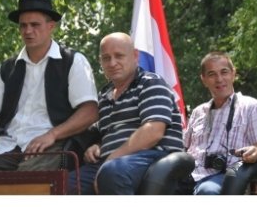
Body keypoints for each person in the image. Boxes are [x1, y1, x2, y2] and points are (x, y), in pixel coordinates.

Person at [0, 0, 98, 172]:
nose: (28, 31)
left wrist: (52, 135)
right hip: (6, 146)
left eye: (35, 25)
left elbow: (90, 112)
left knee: (29, 178)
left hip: (53, 146)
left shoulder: (73, 61)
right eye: (23, 25)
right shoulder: (8, 67)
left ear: (51, 26)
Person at [72, 32, 184, 194]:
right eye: (106, 58)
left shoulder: (151, 83)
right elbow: (111, 132)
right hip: (112, 162)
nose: (112, 63)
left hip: (154, 157)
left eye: (119, 56)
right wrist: (97, 146)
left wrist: (111, 159)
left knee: (112, 173)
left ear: (135, 56)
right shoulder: (104, 95)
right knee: (63, 184)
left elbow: (153, 131)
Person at [184, 51, 257, 195]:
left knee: (208, 191)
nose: (219, 79)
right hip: (189, 175)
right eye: (212, 74)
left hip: (227, 177)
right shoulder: (198, 112)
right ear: (204, 79)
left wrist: (255, 152)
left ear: (233, 74)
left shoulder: (252, 107)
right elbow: (185, 149)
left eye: (224, 72)